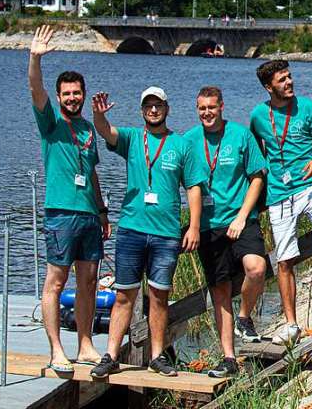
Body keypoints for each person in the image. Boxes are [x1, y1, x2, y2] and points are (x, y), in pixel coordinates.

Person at [89, 87, 203, 379]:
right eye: (148, 106)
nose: (154, 110)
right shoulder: (131, 138)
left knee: (159, 296)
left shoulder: (182, 144)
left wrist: (192, 225)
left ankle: (156, 356)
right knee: (125, 295)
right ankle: (111, 355)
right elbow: (106, 131)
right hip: (131, 230)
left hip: (166, 234)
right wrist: (98, 115)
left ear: (167, 108)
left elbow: (193, 187)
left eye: (158, 105)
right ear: (142, 111)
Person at [27, 25, 110, 375]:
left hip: (90, 215)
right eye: (67, 94)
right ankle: (56, 350)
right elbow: (36, 89)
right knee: (55, 282)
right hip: (61, 214)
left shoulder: (89, 129)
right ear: (59, 97)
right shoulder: (51, 124)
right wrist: (35, 58)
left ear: (83, 95)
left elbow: (91, 173)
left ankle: (86, 344)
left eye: (77, 93)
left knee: (88, 281)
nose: (72, 98)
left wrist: (103, 211)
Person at [182, 86, 268, 379]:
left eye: (212, 107)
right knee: (219, 292)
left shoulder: (241, 135)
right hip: (208, 225)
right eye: (202, 108)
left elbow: (257, 176)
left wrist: (243, 216)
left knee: (256, 268)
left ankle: (245, 317)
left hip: (241, 220)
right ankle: (229, 358)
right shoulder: (189, 140)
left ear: (222, 107)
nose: (207, 113)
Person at [250, 60, 312, 346]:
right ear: (268, 87)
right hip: (279, 194)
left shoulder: (308, 108)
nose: (289, 83)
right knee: (285, 260)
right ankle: (290, 323)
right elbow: (255, 152)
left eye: (289, 77)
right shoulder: (259, 116)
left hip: (309, 184)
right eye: (282, 80)